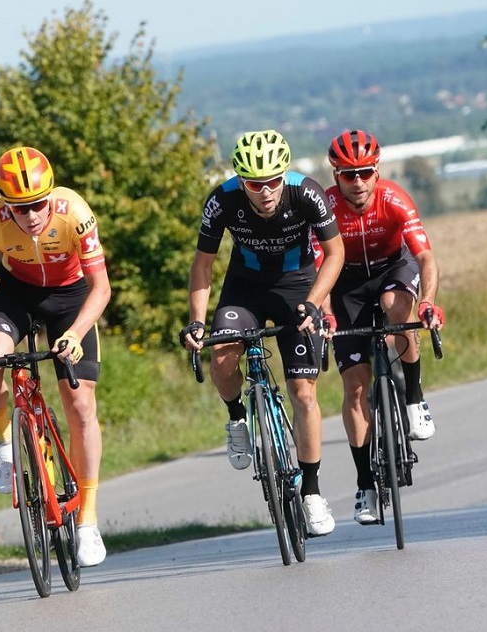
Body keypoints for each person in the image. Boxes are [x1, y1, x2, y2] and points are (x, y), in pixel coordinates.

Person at [0, 146, 111, 567]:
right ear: (5, 205)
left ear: (50, 195)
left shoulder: (75, 213)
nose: (31, 215)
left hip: (72, 296)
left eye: (37, 204)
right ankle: (5, 440)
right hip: (17, 293)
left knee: (80, 403)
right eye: (20, 208)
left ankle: (87, 520)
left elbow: (101, 288)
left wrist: (75, 334)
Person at [179, 130, 345, 536]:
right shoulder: (222, 200)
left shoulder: (306, 193)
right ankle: (237, 417)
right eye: (255, 184)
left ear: (284, 175)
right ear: (241, 181)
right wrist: (197, 321)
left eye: (273, 181)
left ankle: (312, 491)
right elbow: (203, 265)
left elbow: (335, 253)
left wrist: (315, 302)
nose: (266, 191)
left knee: (304, 394)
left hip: (297, 287)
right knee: (222, 355)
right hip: (245, 289)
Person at [321, 129, 445, 526]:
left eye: (365, 173)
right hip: (347, 284)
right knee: (355, 387)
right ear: (336, 176)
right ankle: (366, 486)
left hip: (394, 268)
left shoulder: (394, 199)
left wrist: (427, 301)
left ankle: (414, 399)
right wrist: (325, 314)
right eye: (348, 175)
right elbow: (317, 270)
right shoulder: (326, 208)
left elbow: (425, 258)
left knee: (396, 307)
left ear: (377, 172)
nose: (357, 182)